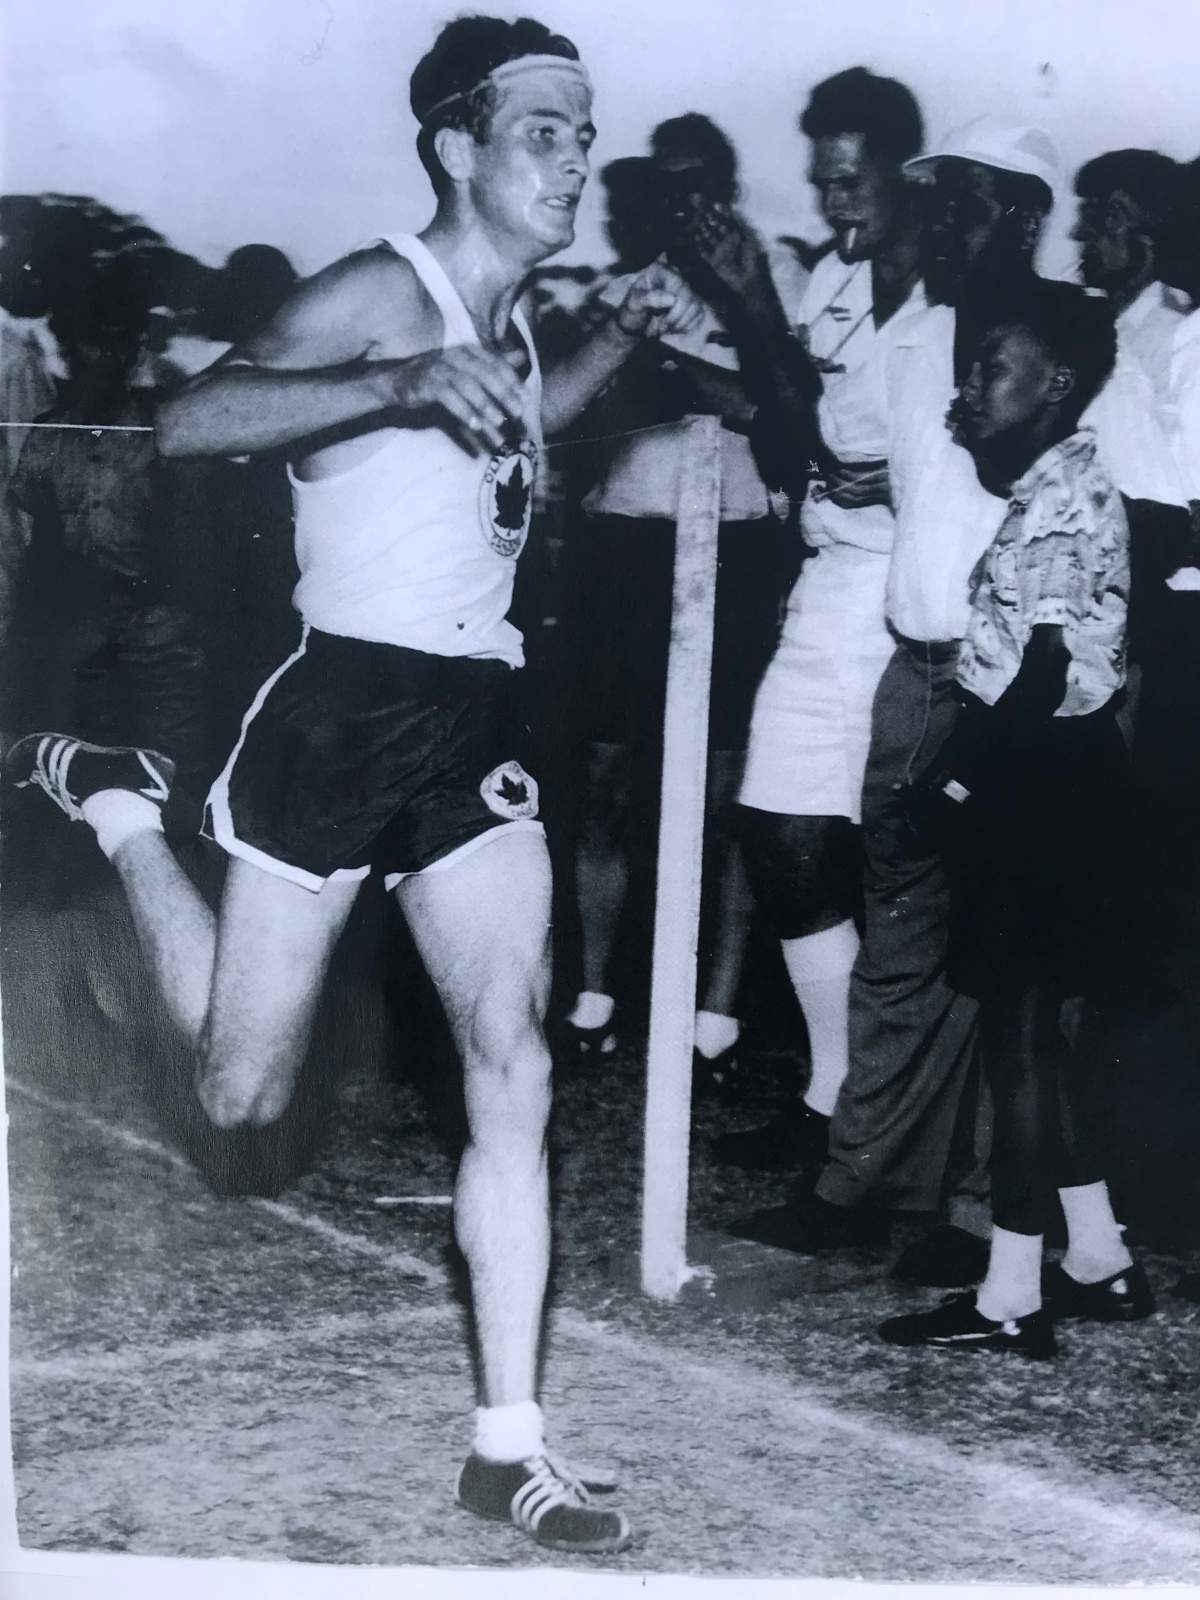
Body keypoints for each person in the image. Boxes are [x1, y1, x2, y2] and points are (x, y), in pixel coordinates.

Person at [6, 14, 703, 1554]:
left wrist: (612, 343)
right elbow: (188, 422)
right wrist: (395, 382)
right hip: (337, 709)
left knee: (508, 1060)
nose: (574, 155)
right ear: (457, 145)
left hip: (473, 716)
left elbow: (509, 426)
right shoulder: (384, 288)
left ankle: (506, 1445)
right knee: (240, 1095)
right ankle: (124, 810)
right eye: (543, 129)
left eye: (584, 132)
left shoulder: (511, 322)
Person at [795, 118, 1063, 1281]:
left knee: (1008, 962)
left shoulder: (1063, 342)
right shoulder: (912, 337)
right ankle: (866, 1184)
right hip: (916, 667)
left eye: (961, 204)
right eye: (935, 203)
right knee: (900, 940)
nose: (940, 225)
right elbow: (879, 473)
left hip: (1014, 689)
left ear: (1019, 216)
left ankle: (984, 1219)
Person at [879, 278, 1154, 1355]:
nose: (971, 384)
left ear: (1060, 384)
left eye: (995, 366)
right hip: (1055, 771)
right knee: (1036, 1035)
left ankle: (1011, 1296)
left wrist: (946, 782)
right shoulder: (1057, 482)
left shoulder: (1059, 499)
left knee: (1020, 1042)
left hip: (1037, 773)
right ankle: (1097, 1259)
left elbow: (1039, 673)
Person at [694, 67, 927, 1184]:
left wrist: (753, 323)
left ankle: (880, 1122)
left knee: (899, 864)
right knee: (782, 832)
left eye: (855, 177)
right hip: (832, 578)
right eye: (823, 180)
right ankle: (837, 1091)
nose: (838, 200)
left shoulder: (945, 284)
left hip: (923, 591)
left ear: (902, 170)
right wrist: (754, 325)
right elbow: (802, 445)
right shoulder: (830, 282)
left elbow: (871, 454)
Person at [559, 115, 805, 1087]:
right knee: (611, 782)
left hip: (741, 546)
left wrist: (669, 371)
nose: (683, 205)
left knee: (730, 788)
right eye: (667, 186)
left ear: (730, 184)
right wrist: (655, 373)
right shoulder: (617, 292)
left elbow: (767, 408)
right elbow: (585, 418)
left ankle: (717, 1014)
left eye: (701, 184)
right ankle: (593, 999)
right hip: (627, 544)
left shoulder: (776, 272)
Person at [2, 255, 209, 807]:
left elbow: (197, 527)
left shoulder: (166, 425)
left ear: (127, 350)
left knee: (173, 753)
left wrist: (176, 603)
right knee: (76, 751)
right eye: (76, 347)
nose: (88, 359)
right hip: (78, 615)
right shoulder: (49, 430)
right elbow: (34, 521)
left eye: (104, 346)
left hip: (161, 616)